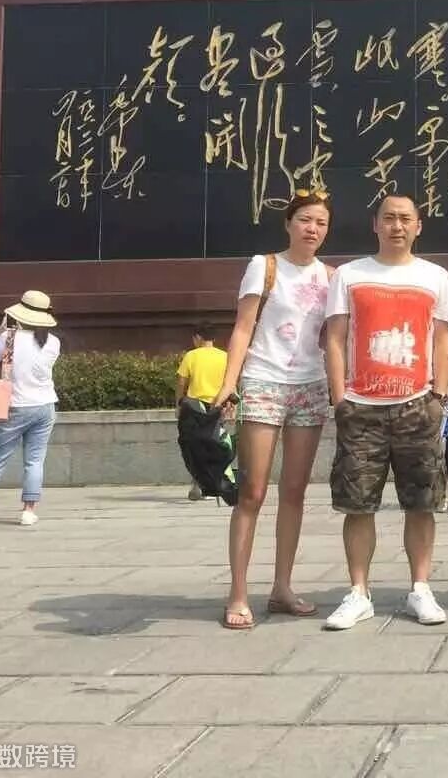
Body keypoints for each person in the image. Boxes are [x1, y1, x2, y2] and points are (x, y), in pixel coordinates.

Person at [323, 195, 448, 629]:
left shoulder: (434, 276)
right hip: (361, 408)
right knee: (357, 505)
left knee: (421, 503)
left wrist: (439, 396)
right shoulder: (349, 275)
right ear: (375, 225)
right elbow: (335, 338)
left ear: (418, 226)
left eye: (405, 219)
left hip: (417, 405)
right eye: (389, 218)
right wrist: (340, 398)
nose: (397, 226)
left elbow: (442, 340)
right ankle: (358, 592)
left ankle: (420, 588)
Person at [211, 189, 334, 630]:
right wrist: (229, 384)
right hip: (264, 380)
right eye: (305, 220)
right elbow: (243, 328)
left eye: (320, 222)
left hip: (310, 385)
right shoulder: (264, 266)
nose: (312, 229)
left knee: (295, 491)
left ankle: (282, 587)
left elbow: (334, 339)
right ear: (288, 223)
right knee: (253, 491)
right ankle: (238, 592)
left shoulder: (331, 277)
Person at [0, 290, 60, 528]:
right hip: (45, 406)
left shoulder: (8, 338)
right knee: (35, 461)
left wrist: (0, 332)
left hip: (15, 406)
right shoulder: (53, 342)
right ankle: (28, 511)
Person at [177, 322, 228, 501]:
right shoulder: (224, 356)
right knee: (214, 445)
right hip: (217, 406)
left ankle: (199, 484)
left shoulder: (191, 356)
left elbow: (181, 382)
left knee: (194, 446)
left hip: (194, 407)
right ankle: (212, 484)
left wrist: (179, 403)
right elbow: (230, 383)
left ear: (198, 337)